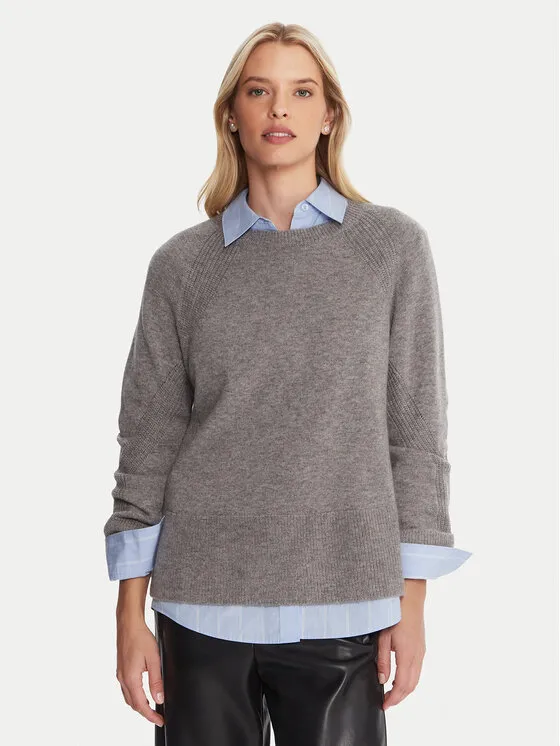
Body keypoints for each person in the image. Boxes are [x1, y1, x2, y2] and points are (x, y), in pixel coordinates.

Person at [103, 21, 472, 746]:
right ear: (231, 116)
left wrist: (413, 601)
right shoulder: (182, 267)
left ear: (329, 115)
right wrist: (128, 616)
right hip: (200, 603)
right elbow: (148, 438)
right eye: (259, 91)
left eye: (302, 92)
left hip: (346, 598)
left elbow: (416, 430)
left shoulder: (390, 248)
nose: (280, 109)